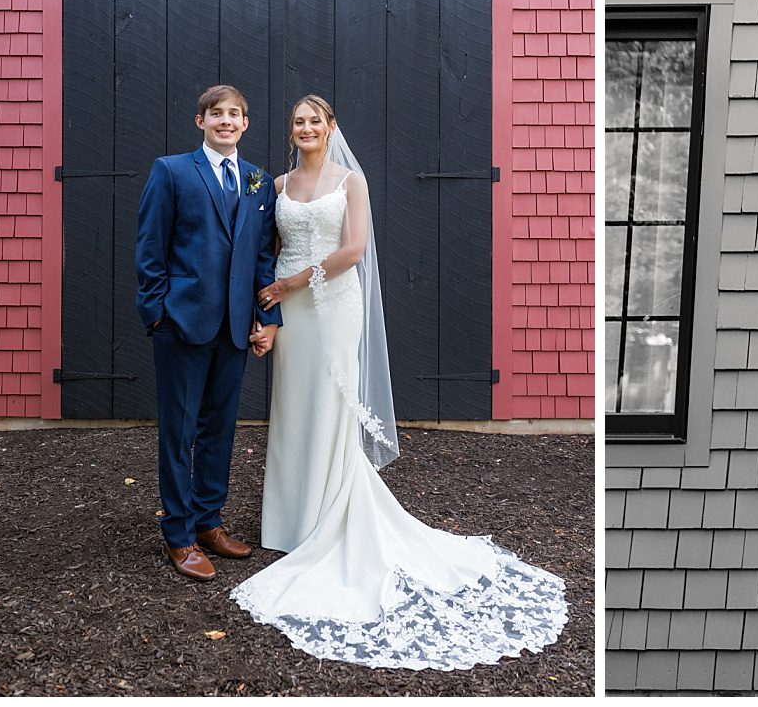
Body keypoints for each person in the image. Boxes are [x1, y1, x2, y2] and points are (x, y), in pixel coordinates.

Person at [227, 95, 567, 670]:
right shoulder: (278, 184)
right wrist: (271, 316)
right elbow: (270, 251)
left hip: (331, 303)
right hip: (291, 310)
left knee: (331, 403)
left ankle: (325, 516)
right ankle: (288, 520)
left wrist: (291, 287)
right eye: (298, 122)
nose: (306, 128)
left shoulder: (349, 180)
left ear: (332, 127)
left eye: (316, 121)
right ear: (291, 131)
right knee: (293, 404)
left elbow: (354, 249)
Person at [136, 84, 282, 581]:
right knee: (179, 432)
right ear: (200, 122)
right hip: (182, 323)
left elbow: (263, 255)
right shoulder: (172, 171)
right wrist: (157, 313)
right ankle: (177, 534)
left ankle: (208, 521)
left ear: (246, 123)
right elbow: (151, 247)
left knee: (219, 430)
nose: (226, 121)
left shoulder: (258, 180)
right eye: (216, 113)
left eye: (234, 114)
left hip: (235, 328)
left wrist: (268, 318)